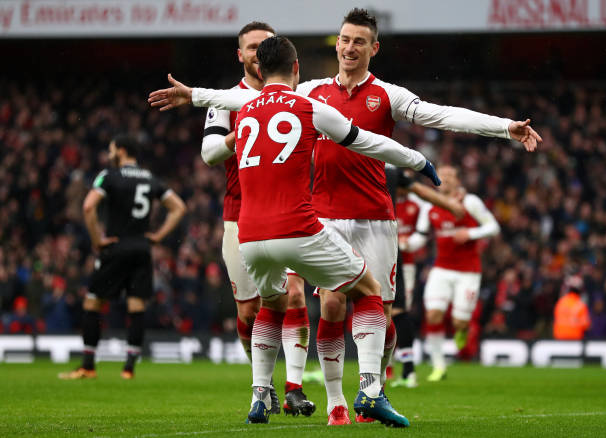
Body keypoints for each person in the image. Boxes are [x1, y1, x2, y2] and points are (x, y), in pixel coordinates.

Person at [148, 8, 541, 424]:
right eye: (344, 39)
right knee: (333, 307)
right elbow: (249, 98)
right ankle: (337, 401)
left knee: (383, 319)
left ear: (374, 47)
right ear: (335, 44)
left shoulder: (388, 95)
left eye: (359, 41)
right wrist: (195, 95)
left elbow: (442, 115)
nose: (349, 47)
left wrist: (504, 127)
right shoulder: (312, 92)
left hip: (375, 217)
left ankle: (373, 388)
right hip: (324, 217)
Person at [235, 36, 439, 426]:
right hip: (297, 227)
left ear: (258, 71)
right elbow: (365, 141)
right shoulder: (309, 106)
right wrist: (417, 160)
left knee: (272, 304)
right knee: (367, 292)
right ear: (297, 69)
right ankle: (371, 390)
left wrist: (195, 97)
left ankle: (260, 394)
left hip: (251, 235)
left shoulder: (245, 112)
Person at [200, 21, 313, 416]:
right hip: (241, 215)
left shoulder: (296, 95)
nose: (257, 52)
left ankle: (295, 385)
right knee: (251, 311)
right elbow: (210, 153)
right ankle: (261, 383)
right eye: (250, 47)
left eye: (264, 46)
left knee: (294, 294)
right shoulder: (228, 99)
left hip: (291, 211)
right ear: (241, 55)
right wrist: (245, 128)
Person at [59, 135, 186, 380]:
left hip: (116, 246)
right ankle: (128, 369)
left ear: (122, 150)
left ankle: (88, 366)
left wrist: (97, 239)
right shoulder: (150, 178)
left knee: (93, 302)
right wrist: (158, 236)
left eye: (111, 149)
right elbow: (179, 207)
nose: (109, 154)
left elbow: (88, 207)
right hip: (142, 248)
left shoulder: (109, 176)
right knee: (137, 306)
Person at [404, 165, 500, 382]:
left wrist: (471, 233)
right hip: (441, 268)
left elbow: (493, 227)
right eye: (442, 176)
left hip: (468, 272)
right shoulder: (430, 204)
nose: (445, 179)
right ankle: (439, 366)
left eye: (450, 176)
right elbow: (420, 236)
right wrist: (404, 244)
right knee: (433, 315)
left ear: (458, 180)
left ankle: (462, 329)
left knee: (459, 322)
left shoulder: (470, 201)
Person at [390, 169, 464, 389]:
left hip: (407, 264)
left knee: (398, 311)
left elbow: (421, 235)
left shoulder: (418, 203)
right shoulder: (385, 195)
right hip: (383, 258)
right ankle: (391, 366)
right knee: (383, 312)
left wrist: (407, 244)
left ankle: (405, 368)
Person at [553, 275, 591, 340]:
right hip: (574, 338)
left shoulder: (561, 302)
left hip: (559, 337)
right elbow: (586, 324)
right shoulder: (580, 305)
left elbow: (556, 318)